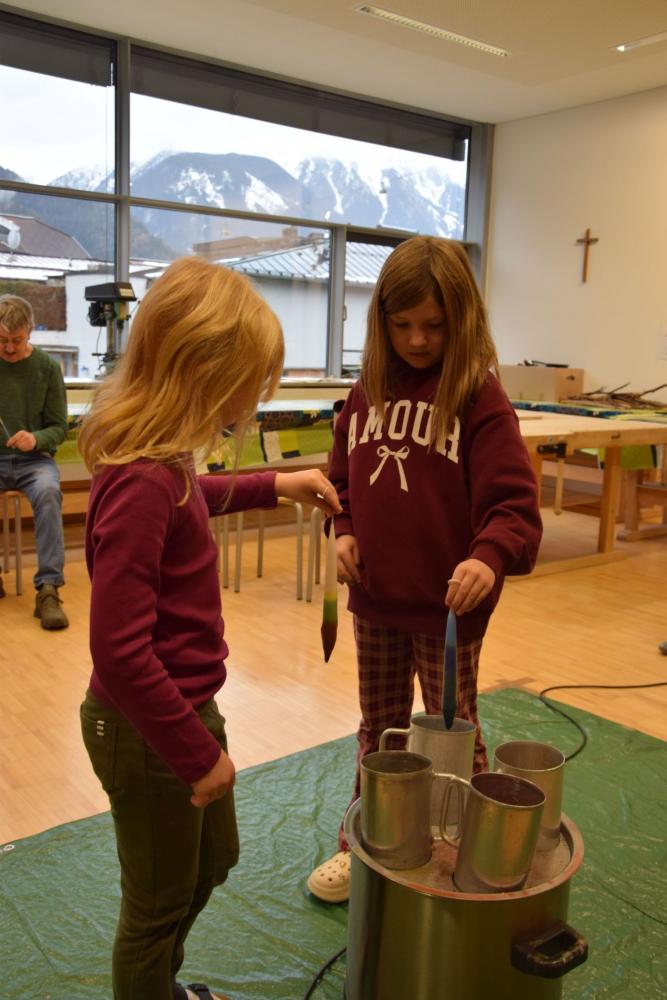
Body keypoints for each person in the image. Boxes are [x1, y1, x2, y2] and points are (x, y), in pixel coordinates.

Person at [77, 256, 341, 1000]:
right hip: (146, 728)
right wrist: (195, 756)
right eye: (249, 381)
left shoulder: (165, 466)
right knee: (156, 906)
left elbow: (195, 498)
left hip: (186, 705)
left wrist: (277, 482)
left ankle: (162, 985)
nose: (255, 398)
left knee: (212, 860)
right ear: (203, 371)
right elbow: (119, 652)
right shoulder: (143, 479)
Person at [307, 236, 543, 903]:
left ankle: (466, 846)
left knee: (451, 732)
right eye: (402, 324)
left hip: (449, 613)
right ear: (381, 321)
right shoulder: (365, 394)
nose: (416, 340)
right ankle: (368, 841)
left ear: (460, 321)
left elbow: (514, 508)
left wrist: (487, 556)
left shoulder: (479, 399)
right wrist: (343, 531)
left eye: (434, 326)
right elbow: (340, 481)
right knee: (379, 728)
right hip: (376, 600)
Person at [0, 294, 69, 627]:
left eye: (16, 340)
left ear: (30, 331)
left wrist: (36, 439)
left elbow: (59, 428)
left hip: (35, 461)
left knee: (48, 493)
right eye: (1, 341)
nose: (9, 348)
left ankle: (48, 589)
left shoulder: (47, 368)